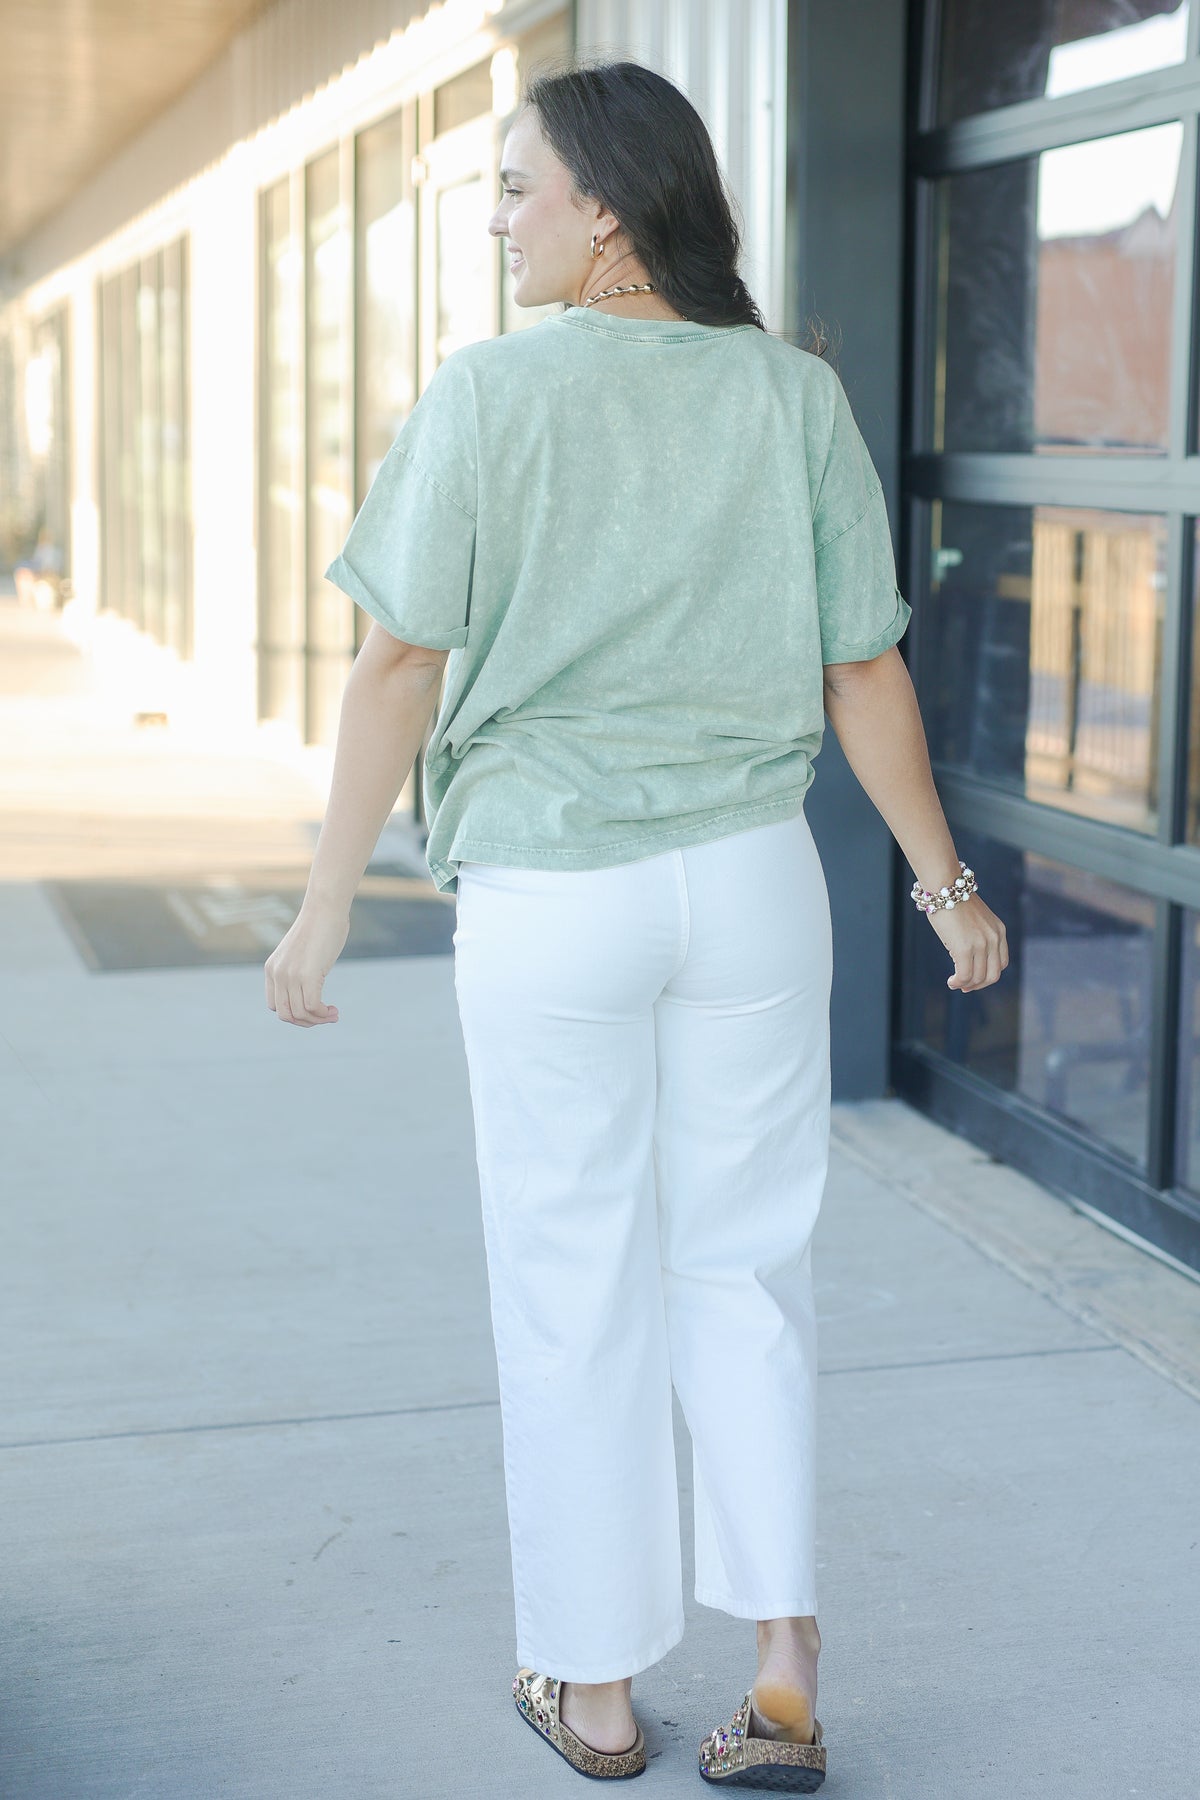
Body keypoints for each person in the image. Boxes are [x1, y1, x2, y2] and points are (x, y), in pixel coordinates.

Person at [264, 56, 1008, 1792]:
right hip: (752, 885)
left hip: (556, 897)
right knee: (745, 1266)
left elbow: (394, 662)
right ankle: (784, 1667)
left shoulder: (490, 398)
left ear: (605, 206)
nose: (498, 219)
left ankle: (594, 1694)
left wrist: (320, 903)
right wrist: (945, 885)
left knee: (572, 1280)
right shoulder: (788, 396)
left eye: (515, 187)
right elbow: (861, 666)